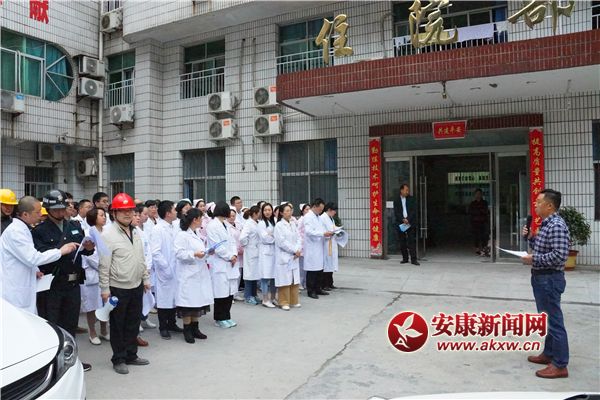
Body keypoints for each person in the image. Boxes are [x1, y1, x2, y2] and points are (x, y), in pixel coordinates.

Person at [99, 193, 151, 375]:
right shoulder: (107, 234)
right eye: (123, 211)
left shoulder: (135, 231)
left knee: (133, 322)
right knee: (118, 325)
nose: (128, 214)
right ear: (114, 213)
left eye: (130, 210)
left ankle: (131, 354)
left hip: (136, 285)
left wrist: (145, 278)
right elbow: (104, 264)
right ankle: (119, 358)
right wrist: (105, 289)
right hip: (118, 287)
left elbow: (141, 257)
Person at [521, 189, 570, 379]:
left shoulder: (556, 225)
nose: (535, 205)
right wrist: (530, 238)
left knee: (554, 321)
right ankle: (549, 354)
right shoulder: (546, 224)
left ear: (549, 206)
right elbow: (543, 248)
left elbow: (559, 256)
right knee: (547, 319)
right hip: (541, 278)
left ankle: (560, 364)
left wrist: (533, 259)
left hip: (549, 279)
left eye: (539, 202)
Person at [1, 196, 77, 314]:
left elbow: (24, 256)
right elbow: (33, 258)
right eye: (37, 212)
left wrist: (35, 270)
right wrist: (60, 251)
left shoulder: (23, 229)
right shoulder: (16, 232)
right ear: (25, 214)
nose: (40, 215)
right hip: (15, 291)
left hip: (24, 286)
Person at [174, 208, 213, 343]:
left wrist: (207, 252)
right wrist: (194, 254)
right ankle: (187, 329)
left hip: (199, 272)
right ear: (195, 220)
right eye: (200, 218)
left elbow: (200, 251)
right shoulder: (182, 235)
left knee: (197, 301)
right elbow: (179, 253)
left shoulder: (196, 233)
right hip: (188, 274)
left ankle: (195, 328)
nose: (202, 220)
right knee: (188, 304)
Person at [151, 200, 182, 339]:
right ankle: (163, 326)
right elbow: (156, 252)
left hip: (176, 268)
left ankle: (172, 323)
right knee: (164, 299)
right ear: (168, 213)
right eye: (174, 210)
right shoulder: (158, 229)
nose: (176, 212)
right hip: (164, 270)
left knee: (174, 298)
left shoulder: (174, 226)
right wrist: (166, 267)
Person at [206, 201, 239, 328]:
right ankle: (219, 318)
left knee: (229, 292)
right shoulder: (212, 226)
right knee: (220, 293)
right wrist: (230, 256)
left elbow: (233, 242)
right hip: (219, 262)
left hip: (230, 262)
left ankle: (227, 316)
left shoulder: (226, 224)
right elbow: (217, 246)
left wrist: (234, 254)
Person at [81, 208, 109, 345]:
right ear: (93, 217)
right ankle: (92, 332)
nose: (104, 217)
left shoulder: (107, 232)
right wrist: (103, 266)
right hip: (92, 274)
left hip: (106, 273)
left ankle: (104, 330)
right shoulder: (88, 233)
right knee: (92, 306)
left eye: (104, 215)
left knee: (105, 304)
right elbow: (88, 256)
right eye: (101, 215)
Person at [302, 199, 333, 299]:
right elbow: (309, 231)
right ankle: (311, 291)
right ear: (314, 206)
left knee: (319, 269)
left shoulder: (318, 217)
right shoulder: (308, 217)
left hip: (319, 246)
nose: (321, 211)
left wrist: (327, 233)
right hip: (312, 247)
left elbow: (321, 229)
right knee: (312, 270)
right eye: (320, 209)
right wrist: (322, 233)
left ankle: (318, 288)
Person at [274, 203, 302, 310]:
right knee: (284, 279)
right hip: (285, 255)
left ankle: (294, 300)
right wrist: (294, 250)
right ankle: (283, 302)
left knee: (294, 279)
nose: (289, 213)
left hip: (294, 255)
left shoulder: (293, 224)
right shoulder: (279, 226)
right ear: (281, 213)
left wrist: (298, 249)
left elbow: (299, 238)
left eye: (290, 210)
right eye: (286, 211)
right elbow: (282, 242)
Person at [239, 206, 261, 305]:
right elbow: (242, 237)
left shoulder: (257, 223)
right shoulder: (248, 224)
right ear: (255, 213)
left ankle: (254, 294)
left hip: (256, 251)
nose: (260, 214)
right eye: (259, 212)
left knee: (255, 275)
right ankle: (248, 296)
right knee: (249, 275)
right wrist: (247, 245)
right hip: (250, 251)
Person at [393, 184, 419, 266]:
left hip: (410, 222)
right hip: (401, 223)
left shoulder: (411, 199)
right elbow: (396, 212)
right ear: (401, 190)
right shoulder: (396, 200)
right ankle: (405, 258)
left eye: (408, 190)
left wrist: (408, 219)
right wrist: (402, 219)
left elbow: (413, 211)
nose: (407, 192)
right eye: (406, 190)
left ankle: (414, 259)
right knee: (402, 241)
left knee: (411, 241)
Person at [257, 203, 277, 308]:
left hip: (274, 252)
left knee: (274, 277)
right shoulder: (261, 224)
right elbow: (265, 238)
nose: (267, 212)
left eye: (269, 210)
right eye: (265, 210)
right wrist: (274, 237)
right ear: (262, 212)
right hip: (265, 252)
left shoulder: (275, 222)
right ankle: (265, 299)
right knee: (265, 277)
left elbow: (278, 235)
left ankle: (273, 298)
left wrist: (272, 235)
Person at [320, 202, 340, 291]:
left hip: (332, 242)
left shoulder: (330, 218)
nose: (335, 212)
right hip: (326, 243)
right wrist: (329, 233)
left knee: (331, 263)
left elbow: (333, 227)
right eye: (334, 211)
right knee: (326, 264)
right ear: (329, 210)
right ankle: (324, 284)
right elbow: (322, 231)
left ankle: (330, 283)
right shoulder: (322, 218)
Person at [226, 208, 244, 301]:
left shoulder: (239, 225)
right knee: (231, 275)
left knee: (238, 274)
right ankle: (230, 295)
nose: (232, 217)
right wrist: (235, 251)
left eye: (233, 216)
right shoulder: (226, 227)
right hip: (232, 253)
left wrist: (241, 249)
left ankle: (235, 293)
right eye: (230, 216)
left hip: (240, 253)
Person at [469, 188, 490, 256]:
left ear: (481, 195)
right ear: (475, 195)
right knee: (476, 236)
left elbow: (486, 211)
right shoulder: (472, 203)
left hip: (483, 222)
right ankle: (477, 249)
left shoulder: (484, 203)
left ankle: (484, 248)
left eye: (479, 194)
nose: (478, 195)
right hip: (475, 222)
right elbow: (471, 212)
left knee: (484, 236)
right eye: (477, 194)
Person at [297, 203, 310, 290]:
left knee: (307, 266)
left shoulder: (308, 219)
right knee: (301, 267)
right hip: (302, 246)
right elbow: (298, 233)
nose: (308, 211)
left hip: (307, 246)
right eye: (306, 209)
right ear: (302, 211)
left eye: (309, 209)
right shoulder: (301, 220)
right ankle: (300, 283)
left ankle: (305, 282)